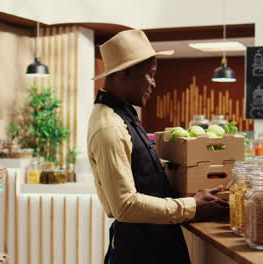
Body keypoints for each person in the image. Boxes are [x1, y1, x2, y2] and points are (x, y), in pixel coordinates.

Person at [87, 29, 229, 264]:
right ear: (125, 74)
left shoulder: (122, 115)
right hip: (138, 251)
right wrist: (191, 205)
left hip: (154, 243)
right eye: (150, 75)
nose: (153, 83)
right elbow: (124, 205)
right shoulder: (109, 127)